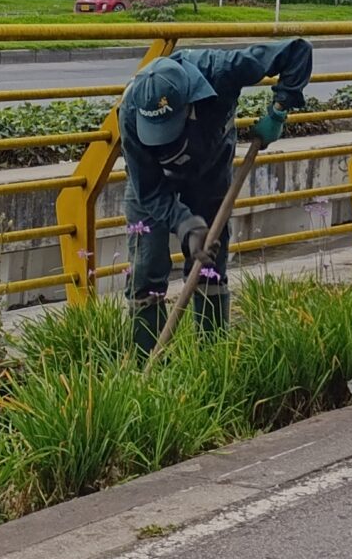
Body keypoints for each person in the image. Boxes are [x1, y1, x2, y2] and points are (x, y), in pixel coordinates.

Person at [120, 38, 312, 351]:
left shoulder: (221, 70)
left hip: (209, 171)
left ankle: (212, 356)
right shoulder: (131, 111)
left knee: (210, 263)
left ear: (190, 101)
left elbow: (297, 51)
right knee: (146, 266)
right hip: (154, 184)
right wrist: (186, 225)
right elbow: (148, 189)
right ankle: (147, 364)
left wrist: (279, 110)